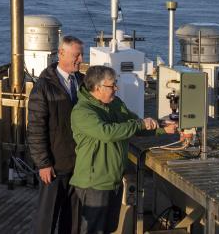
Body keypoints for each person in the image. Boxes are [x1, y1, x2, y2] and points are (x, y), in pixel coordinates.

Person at [70, 65, 177, 234]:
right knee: (93, 230)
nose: (116, 88)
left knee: (109, 227)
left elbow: (134, 125)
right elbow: (107, 132)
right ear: (97, 88)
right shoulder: (83, 112)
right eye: (112, 85)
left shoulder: (115, 103)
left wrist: (162, 127)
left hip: (113, 179)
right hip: (94, 183)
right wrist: (139, 124)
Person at [27, 35, 85, 234]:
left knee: (73, 218)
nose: (80, 60)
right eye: (76, 56)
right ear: (61, 53)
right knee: (47, 218)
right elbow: (35, 129)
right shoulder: (43, 88)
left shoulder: (81, 82)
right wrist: (43, 163)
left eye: (81, 55)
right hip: (54, 165)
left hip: (78, 164)